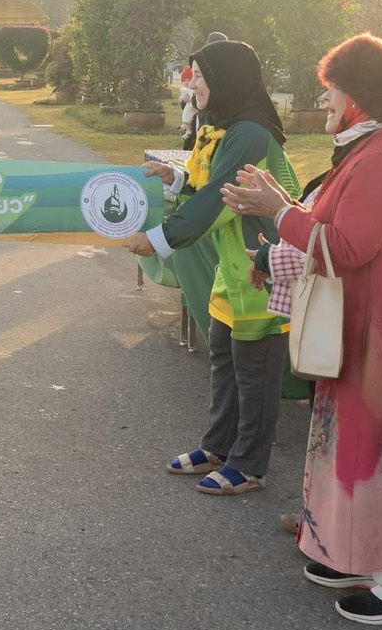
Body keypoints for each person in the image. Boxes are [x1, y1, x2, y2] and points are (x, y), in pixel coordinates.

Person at [223, 33, 382, 626]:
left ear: (359, 96)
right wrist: (281, 205)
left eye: (331, 88)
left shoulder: (380, 158)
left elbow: (347, 247)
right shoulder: (370, 150)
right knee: (351, 446)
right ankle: (355, 555)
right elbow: (332, 227)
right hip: (367, 331)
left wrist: (277, 211)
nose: (323, 98)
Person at [121, 39, 300, 496]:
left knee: (255, 370)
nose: (192, 84)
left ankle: (250, 464)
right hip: (233, 269)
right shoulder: (224, 127)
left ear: (225, 80)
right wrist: (176, 177)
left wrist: (159, 238)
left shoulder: (250, 133)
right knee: (224, 356)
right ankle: (218, 446)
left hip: (263, 267)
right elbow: (209, 183)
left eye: (200, 76)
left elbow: (222, 199)